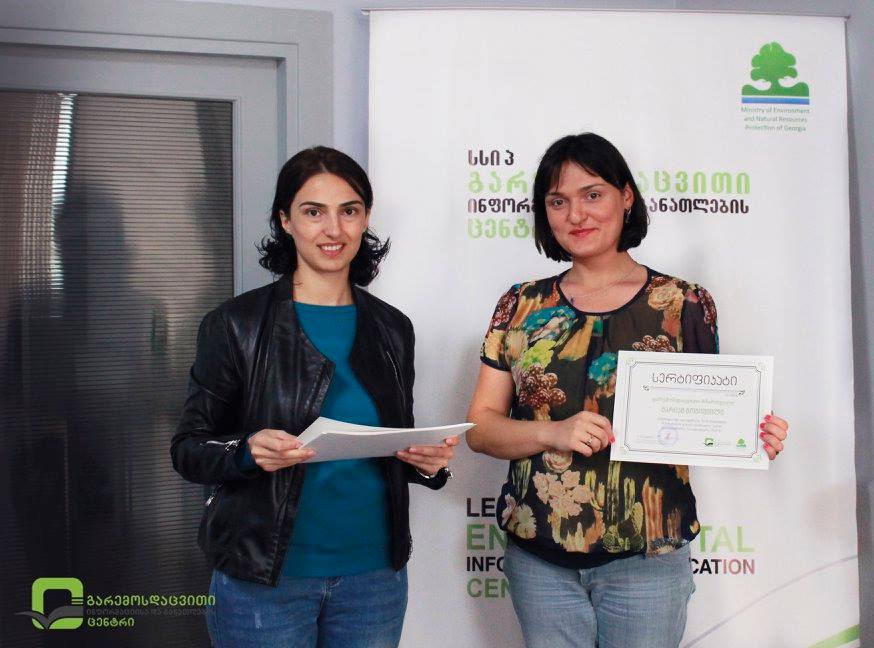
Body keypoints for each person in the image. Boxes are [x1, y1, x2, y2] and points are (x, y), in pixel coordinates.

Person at [465, 133, 790, 648]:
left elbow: (710, 412)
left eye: (592, 194)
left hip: (648, 559)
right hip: (539, 557)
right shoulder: (521, 305)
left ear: (626, 197)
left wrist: (751, 434)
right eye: (558, 201)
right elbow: (480, 428)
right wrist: (553, 432)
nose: (576, 214)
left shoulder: (683, 304)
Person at [171, 146, 457, 647]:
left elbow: (390, 444)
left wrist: (425, 463)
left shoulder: (393, 328)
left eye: (349, 211)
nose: (334, 229)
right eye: (313, 212)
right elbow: (189, 448)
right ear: (285, 220)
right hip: (265, 580)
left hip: (374, 580)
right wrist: (247, 451)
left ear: (365, 218)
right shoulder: (235, 325)